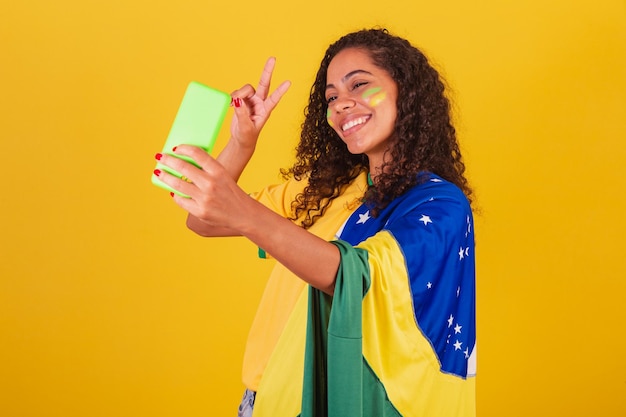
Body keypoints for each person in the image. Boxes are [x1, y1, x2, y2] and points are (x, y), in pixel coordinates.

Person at [154, 28, 477, 417]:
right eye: (332, 97)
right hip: (264, 398)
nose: (342, 104)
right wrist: (242, 143)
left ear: (405, 90)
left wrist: (241, 209)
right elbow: (202, 221)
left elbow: (354, 275)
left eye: (359, 85)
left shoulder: (439, 204)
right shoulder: (323, 191)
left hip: (337, 402)